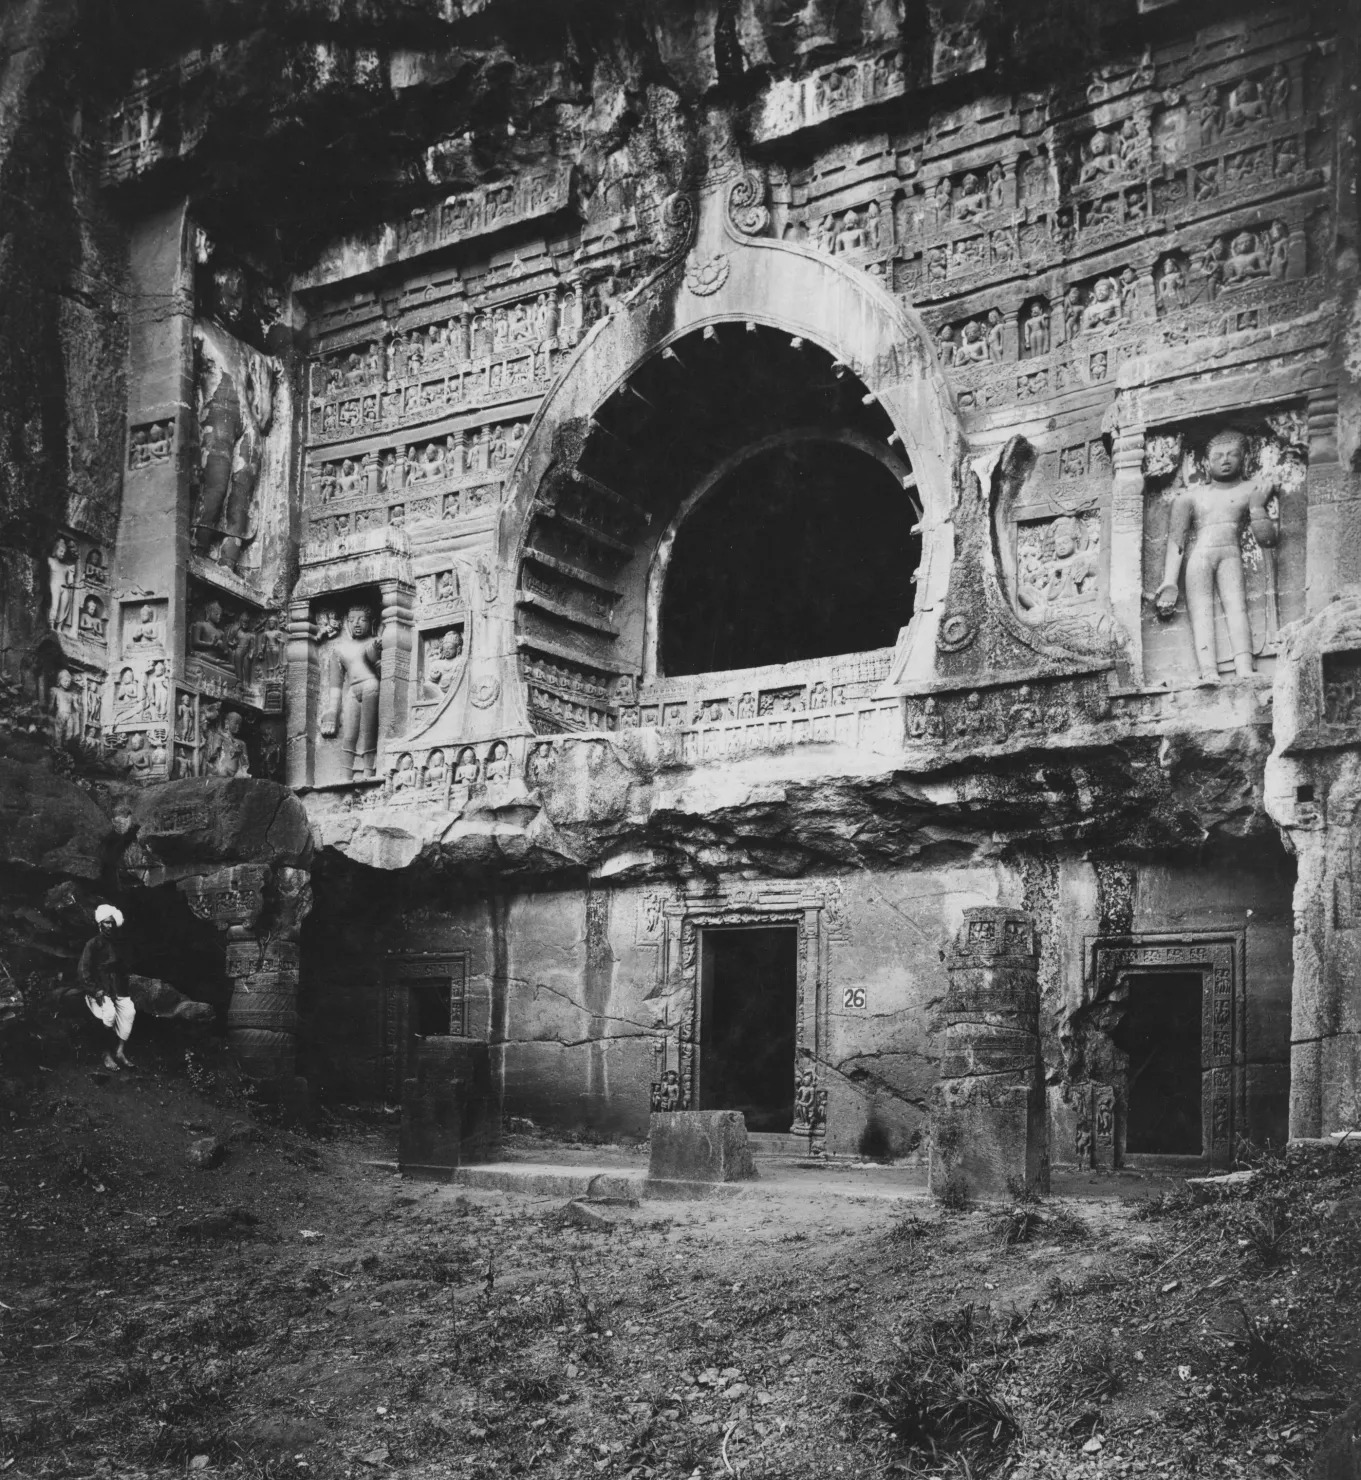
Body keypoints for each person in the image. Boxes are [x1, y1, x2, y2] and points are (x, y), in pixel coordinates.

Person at [79, 904, 135, 1071]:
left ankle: (119, 1051)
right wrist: (96, 990)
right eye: (106, 923)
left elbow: (123, 965)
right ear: (100, 924)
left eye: (112, 922)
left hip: (117, 986)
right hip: (99, 987)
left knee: (129, 1012)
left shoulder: (117, 943)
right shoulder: (92, 944)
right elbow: (84, 970)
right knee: (109, 1014)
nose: (110, 926)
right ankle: (106, 1054)